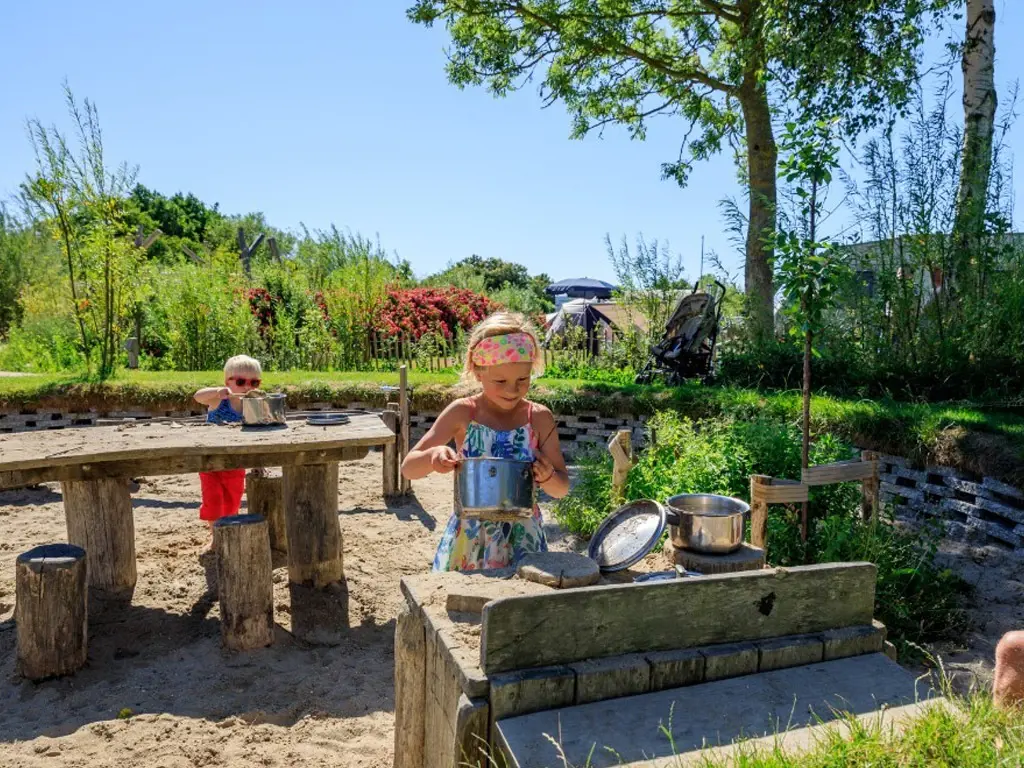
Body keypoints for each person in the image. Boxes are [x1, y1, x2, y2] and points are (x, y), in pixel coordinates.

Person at [402, 313, 570, 571]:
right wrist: (433, 457)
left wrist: (547, 476)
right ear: (478, 371)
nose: (512, 390)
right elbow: (408, 468)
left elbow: (561, 490)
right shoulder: (463, 413)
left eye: (523, 380)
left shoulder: (538, 418)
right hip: (470, 538)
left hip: (524, 540)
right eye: (500, 381)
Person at [193, 355, 263, 548]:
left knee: (233, 501)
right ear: (227, 383)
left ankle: (229, 534)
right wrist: (218, 392)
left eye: (254, 383)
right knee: (213, 501)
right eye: (241, 382)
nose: (248, 387)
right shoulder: (219, 401)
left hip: (235, 462)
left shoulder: (252, 405)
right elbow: (198, 396)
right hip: (211, 461)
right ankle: (215, 537)